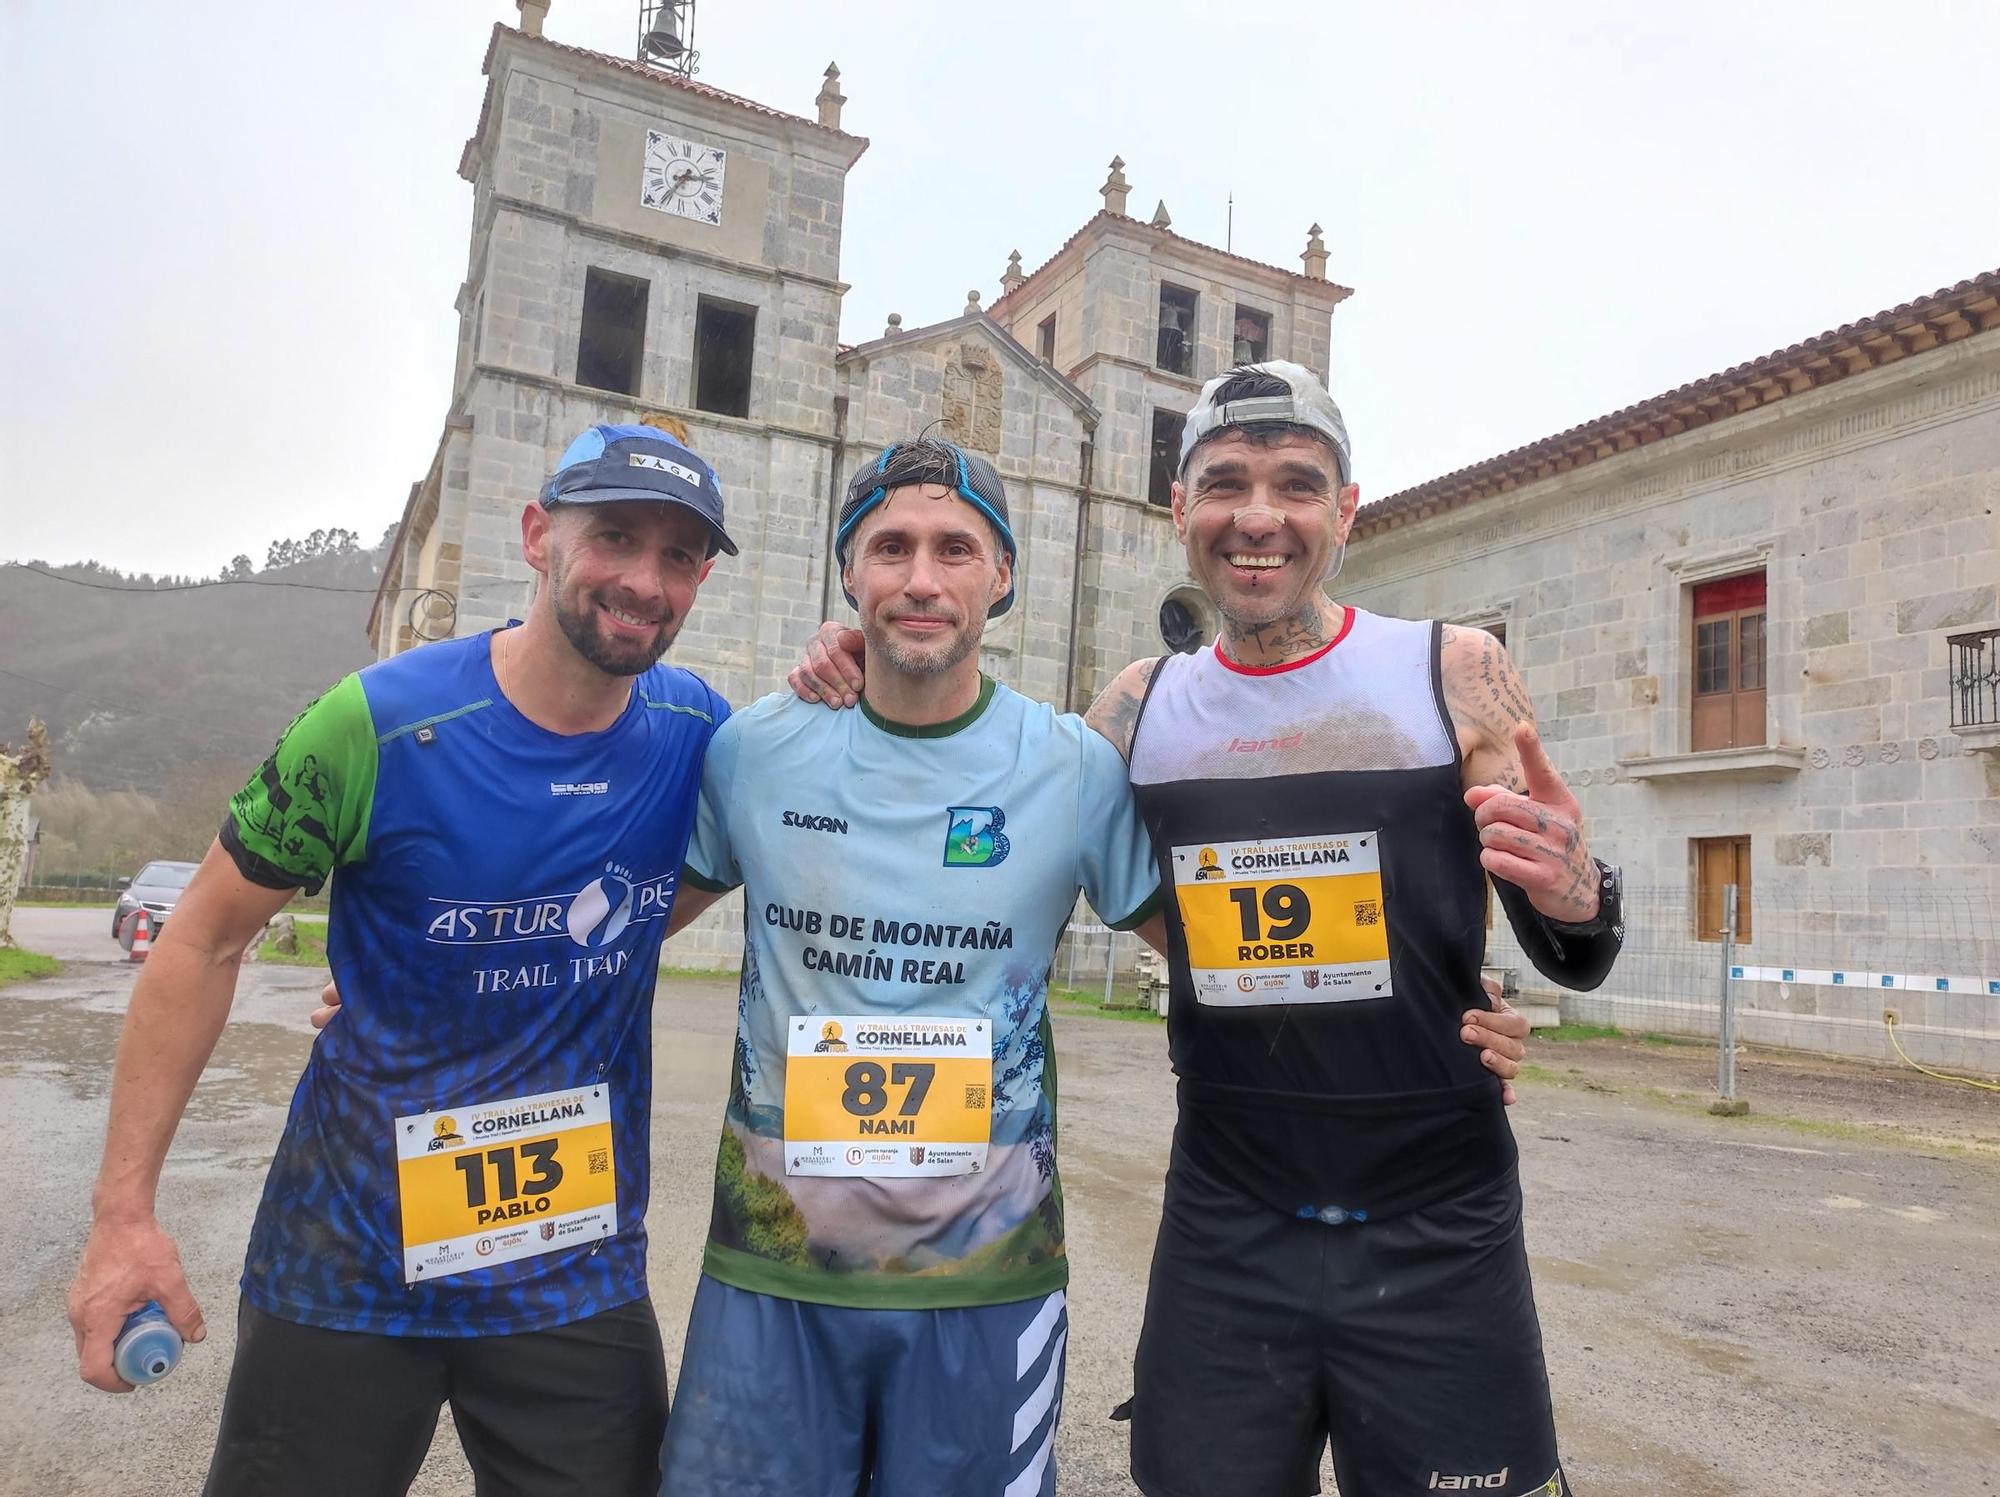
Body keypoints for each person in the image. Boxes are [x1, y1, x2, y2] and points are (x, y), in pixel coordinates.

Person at [791, 362, 1618, 1497]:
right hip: (1230, 1221)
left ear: (1346, 511)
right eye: (1224, 484)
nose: (1258, 516)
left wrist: (1575, 898)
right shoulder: (1135, 709)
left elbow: (1562, 930)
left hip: (1440, 1219)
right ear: (1180, 512)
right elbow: (987, 798)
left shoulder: (1452, 669)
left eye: (1296, 484)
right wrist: (857, 667)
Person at [66, 423, 736, 1496]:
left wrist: (577, 949)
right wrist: (123, 1215)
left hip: (568, 1276)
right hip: (347, 1265)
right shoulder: (376, 722)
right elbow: (201, 939)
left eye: (678, 557)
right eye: (613, 536)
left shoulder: (698, 728)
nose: (644, 581)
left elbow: (729, 848)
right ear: (536, 537)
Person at [650, 438, 1167, 1496]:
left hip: (985, 1286)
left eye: (954, 549)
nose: (920, 579)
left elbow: (1216, 956)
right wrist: (414, 979)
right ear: (847, 572)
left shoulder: (1070, 767)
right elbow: (631, 925)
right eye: (889, 548)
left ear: (1003, 574)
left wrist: (1438, 1006)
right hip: (772, 1276)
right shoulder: (753, 749)